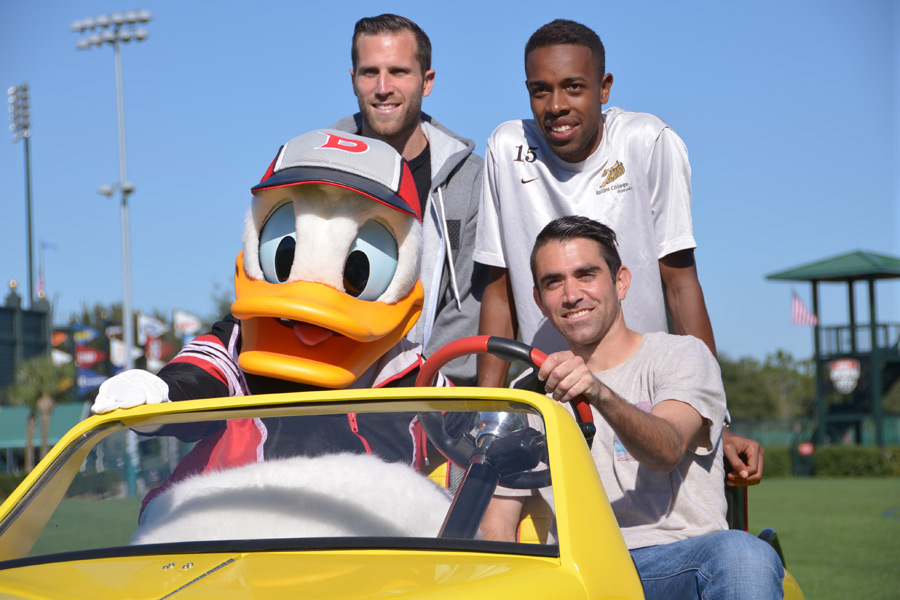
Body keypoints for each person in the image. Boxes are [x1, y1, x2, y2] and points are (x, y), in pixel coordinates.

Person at [474, 18, 761, 485]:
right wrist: (485, 413)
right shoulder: (506, 147)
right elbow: (499, 289)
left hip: (648, 392)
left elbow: (679, 279)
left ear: (603, 88)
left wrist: (718, 419)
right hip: (549, 390)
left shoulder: (647, 141)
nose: (557, 105)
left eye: (573, 87)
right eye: (540, 90)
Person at [480, 216, 784, 599]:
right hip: (579, 575)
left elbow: (667, 448)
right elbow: (498, 522)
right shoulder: (527, 394)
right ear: (539, 301)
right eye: (553, 282)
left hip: (678, 560)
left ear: (620, 281)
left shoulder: (680, 355)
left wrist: (597, 392)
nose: (571, 294)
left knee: (744, 555)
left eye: (586, 275)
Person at [332, 14, 485, 386]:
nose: (383, 87)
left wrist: (416, 388)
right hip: (334, 392)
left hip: (430, 399)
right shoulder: (318, 168)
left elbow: (471, 305)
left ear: (426, 81)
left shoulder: (470, 179)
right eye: (370, 72)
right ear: (353, 79)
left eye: (399, 72)